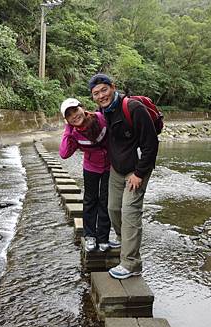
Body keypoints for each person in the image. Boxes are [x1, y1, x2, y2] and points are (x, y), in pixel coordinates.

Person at [88, 74, 159, 279]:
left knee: (130, 213)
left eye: (104, 90)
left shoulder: (134, 109)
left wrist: (139, 174)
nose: (101, 95)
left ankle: (131, 263)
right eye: (96, 93)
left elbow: (151, 144)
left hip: (136, 170)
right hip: (117, 169)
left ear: (113, 87)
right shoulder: (102, 112)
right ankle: (122, 238)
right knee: (112, 209)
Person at [59, 98, 111, 252]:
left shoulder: (99, 118)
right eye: (69, 115)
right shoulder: (74, 133)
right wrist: (68, 130)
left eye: (75, 110)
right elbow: (63, 154)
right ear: (67, 120)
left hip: (110, 166)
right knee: (90, 201)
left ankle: (103, 238)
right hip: (91, 167)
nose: (74, 116)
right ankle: (90, 236)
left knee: (105, 201)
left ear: (82, 108)